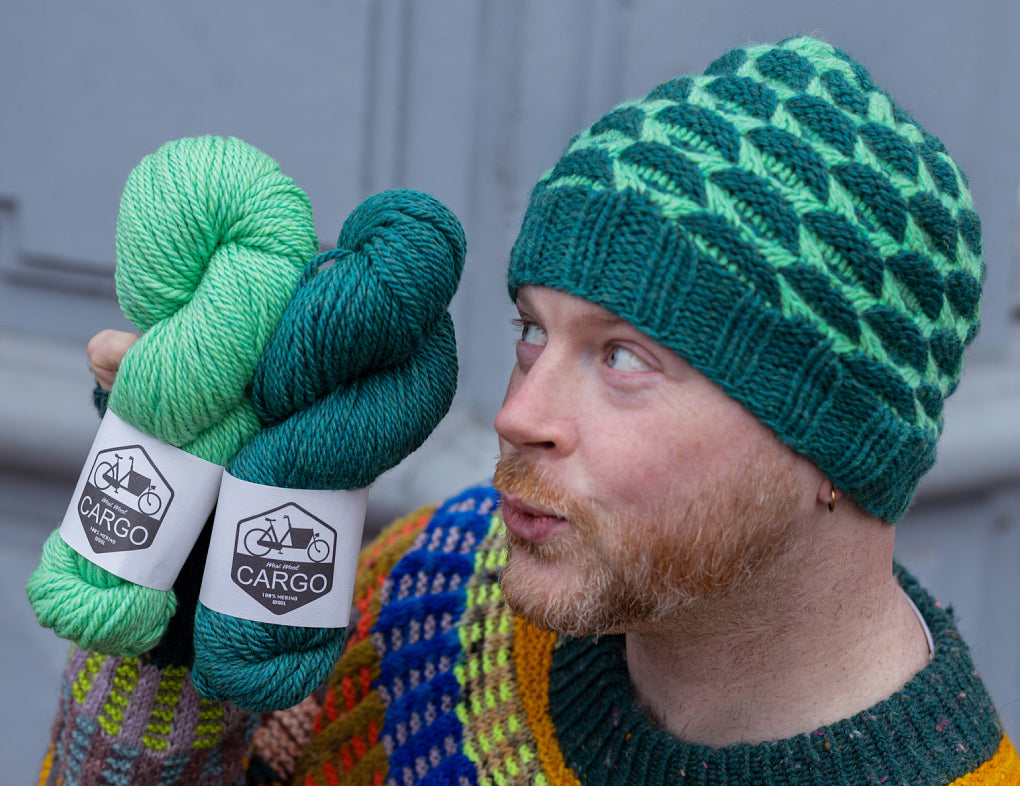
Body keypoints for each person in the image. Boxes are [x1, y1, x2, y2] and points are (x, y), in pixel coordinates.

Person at [40, 35, 1016, 785]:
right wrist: (171, 603)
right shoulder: (439, 595)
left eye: (625, 356)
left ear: (837, 445)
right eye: (532, 333)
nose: (516, 415)